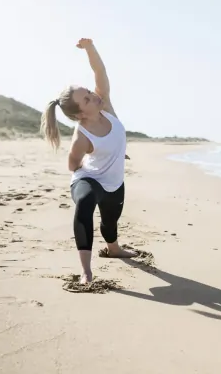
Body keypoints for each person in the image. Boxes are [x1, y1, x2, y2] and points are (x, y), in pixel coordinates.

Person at [40, 38, 138, 284]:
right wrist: (89, 169)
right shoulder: (81, 136)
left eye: (89, 92)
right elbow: (73, 164)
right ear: (81, 114)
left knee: (110, 221)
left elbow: (99, 71)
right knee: (84, 203)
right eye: (87, 99)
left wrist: (90, 47)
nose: (93, 96)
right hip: (89, 179)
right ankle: (86, 271)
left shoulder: (105, 105)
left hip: (114, 181)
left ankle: (113, 249)